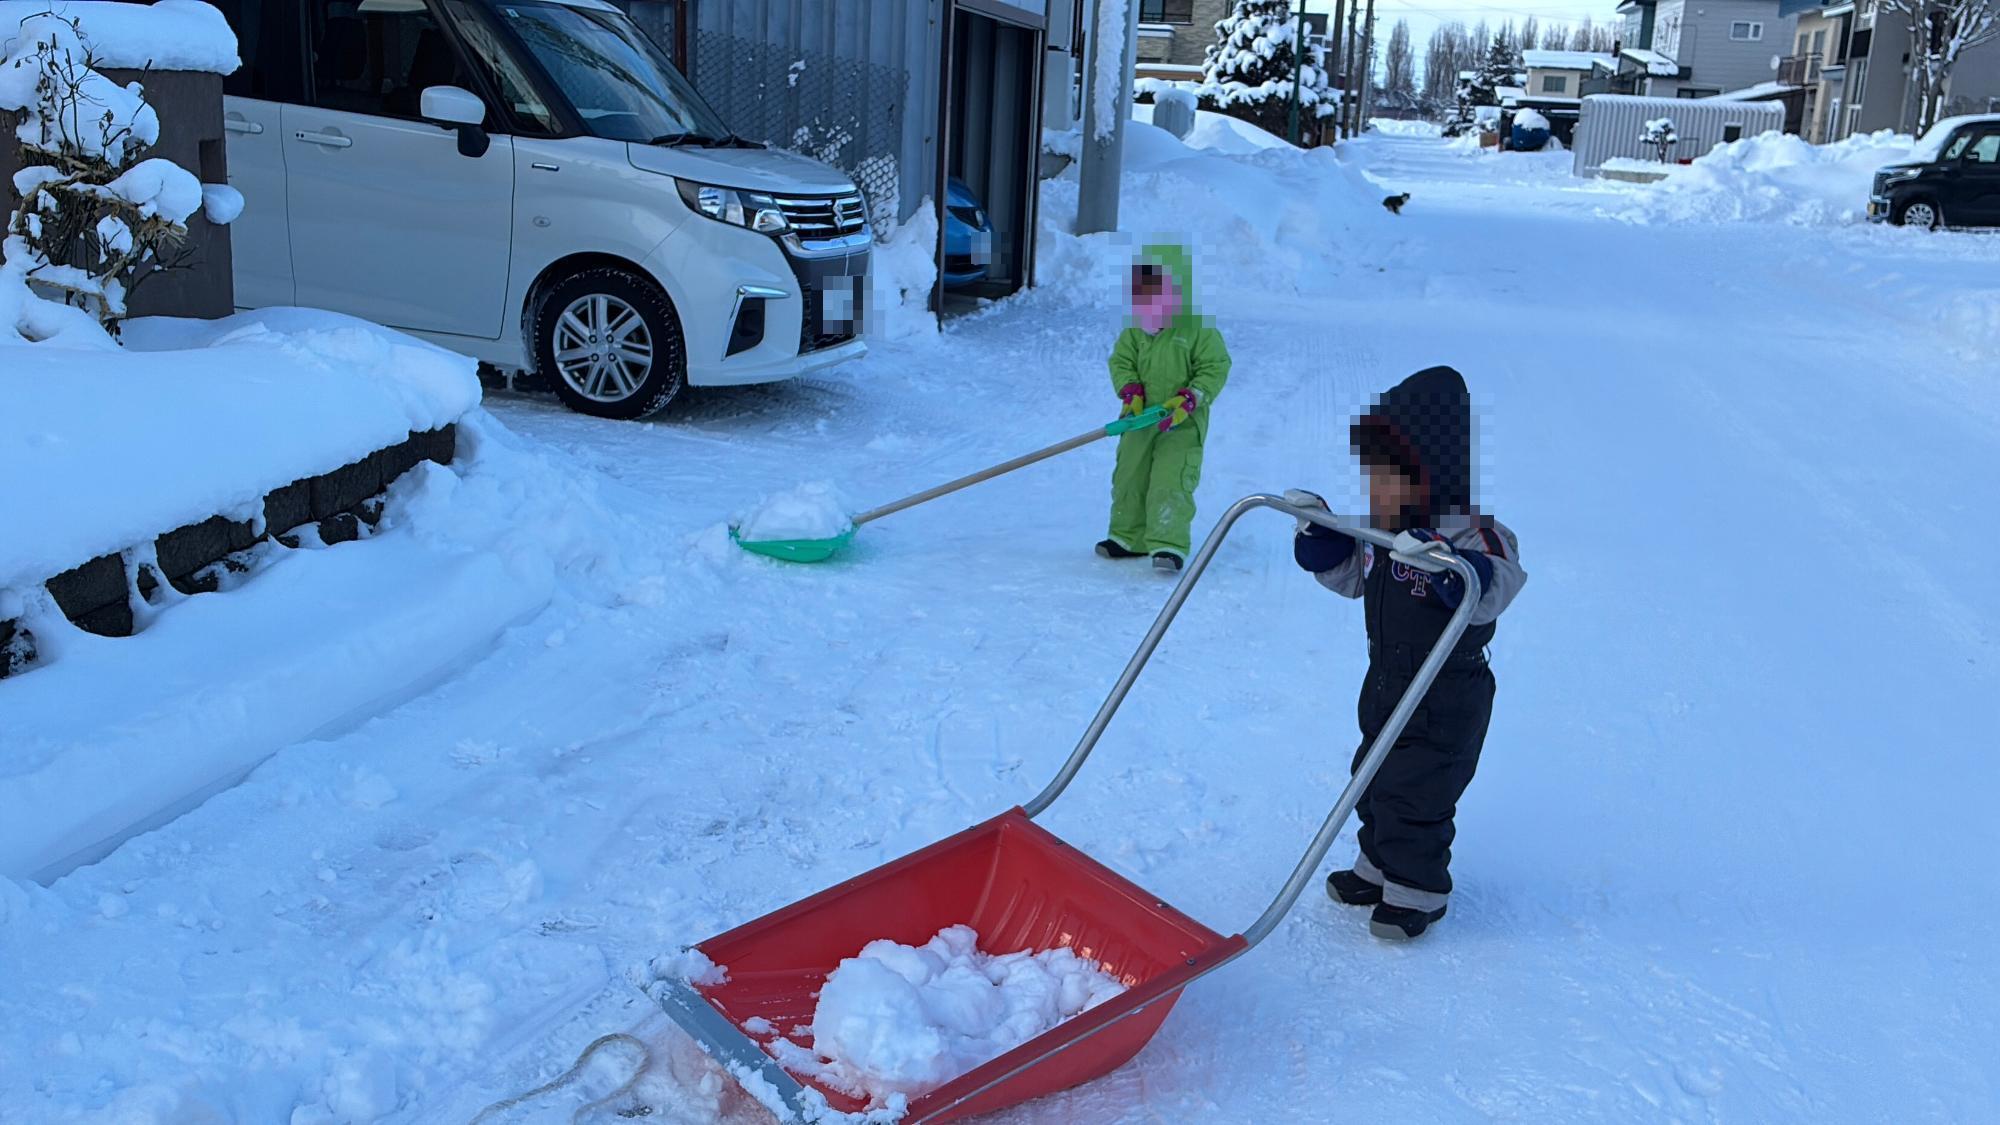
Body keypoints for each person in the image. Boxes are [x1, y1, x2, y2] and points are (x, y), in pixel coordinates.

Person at [1286, 366, 1526, 940]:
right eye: (1371, 478)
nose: (1375, 491)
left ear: (1432, 472)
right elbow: (1353, 576)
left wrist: (1451, 571)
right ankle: (1377, 867)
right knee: (1372, 775)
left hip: (1446, 695)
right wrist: (1319, 539)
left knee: (1418, 791)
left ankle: (1418, 889)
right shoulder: (1384, 530)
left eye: (1388, 478)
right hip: (1388, 681)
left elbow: (1496, 583)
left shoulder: (1472, 533)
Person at [1096, 244, 1231, 574]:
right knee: (1129, 475)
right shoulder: (1135, 330)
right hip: (1138, 421)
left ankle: (1168, 542)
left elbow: (1215, 366)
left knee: (1170, 480)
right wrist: (1130, 389)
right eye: (1141, 295)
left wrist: (1192, 397)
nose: (1148, 304)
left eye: (1158, 294)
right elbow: (1121, 360)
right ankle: (1128, 537)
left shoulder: (1198, 329)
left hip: (1181, 424)